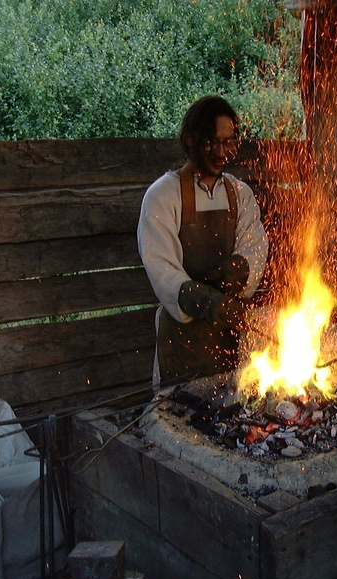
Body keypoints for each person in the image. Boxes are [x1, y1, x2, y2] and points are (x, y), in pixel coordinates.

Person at [137, 96, 269, 387]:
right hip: (182, 344)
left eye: (229, 142)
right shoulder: (163, 195)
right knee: (179, 419)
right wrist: (204, 300)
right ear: (189, 139)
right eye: (212, 142)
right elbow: (160, 266)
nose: (222, 153)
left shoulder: (240, 194)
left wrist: (240, 269)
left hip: (230, 344)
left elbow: (255, 245)